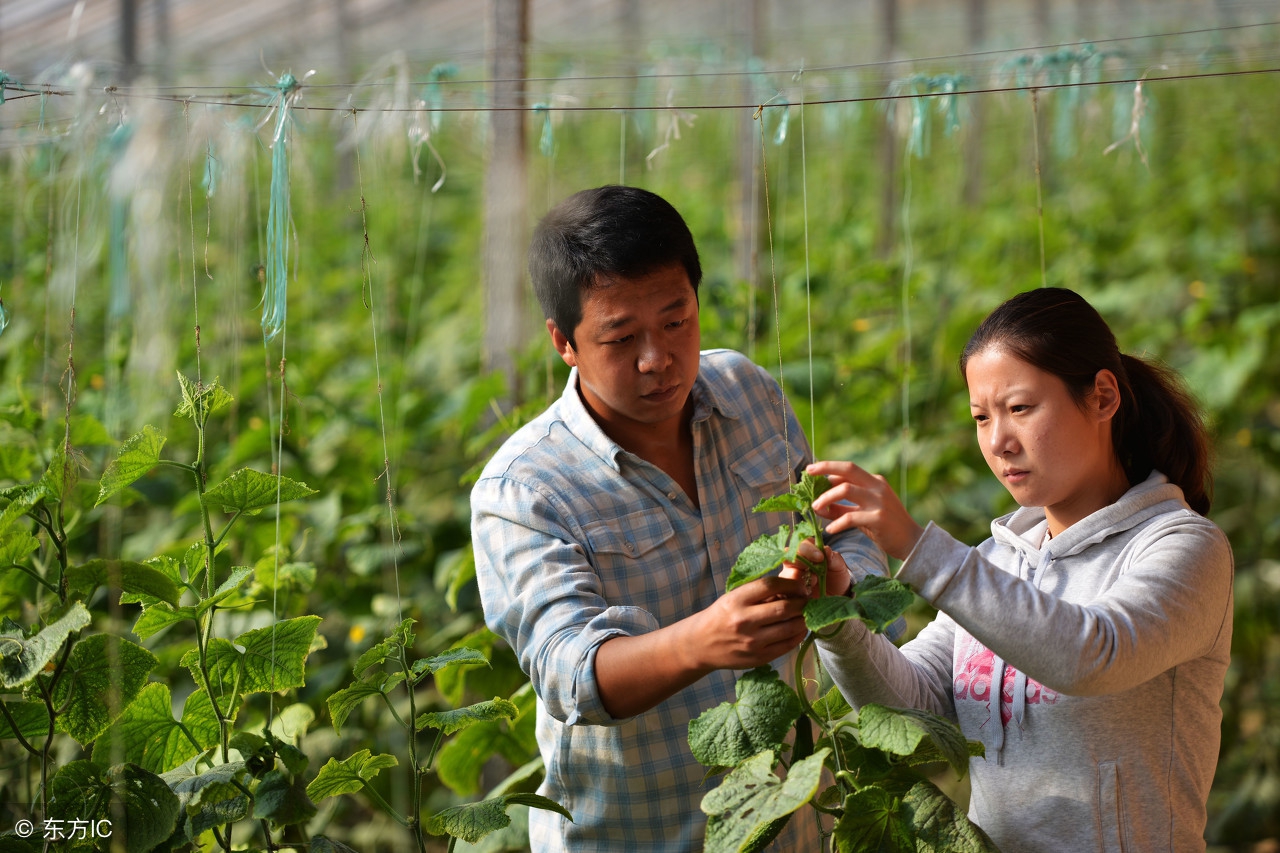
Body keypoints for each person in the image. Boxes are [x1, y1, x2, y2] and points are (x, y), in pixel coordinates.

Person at [470, 185, 890, 852]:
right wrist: (706, 639)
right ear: (564, 341)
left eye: (676, 321)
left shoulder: (749, 393)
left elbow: (834, 528)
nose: (657, 358)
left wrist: (840, 578)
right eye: (620, 336)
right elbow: (567, 671)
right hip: (635, 833)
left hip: (789, 821)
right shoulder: (525, 488)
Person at [797, 287, 1233, 852]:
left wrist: (916, 547)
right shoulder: (996, 561)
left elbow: (1092, 654)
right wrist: (837, 619)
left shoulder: (1183, 547)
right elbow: (917, 710)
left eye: (1020, 409)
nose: (999, 441)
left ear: (1102, 396)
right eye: (981, 417)